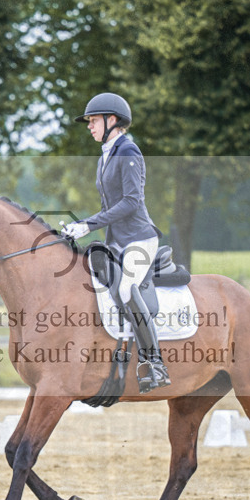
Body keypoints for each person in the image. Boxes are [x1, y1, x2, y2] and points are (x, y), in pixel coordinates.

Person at [61, 92, 170, 393]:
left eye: (93, 120)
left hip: (139, 238)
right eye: (89, 122)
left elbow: (131, 203)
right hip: (118, 241)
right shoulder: (105, 156)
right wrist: (81, 227)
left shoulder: (129, 151)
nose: (89, 126)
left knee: (125, 288)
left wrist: (88, 224)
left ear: (112, 120)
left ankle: (153, 363)